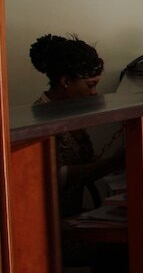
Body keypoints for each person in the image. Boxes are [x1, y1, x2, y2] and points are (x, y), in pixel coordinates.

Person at [30, 34, 124, 216]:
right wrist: (112, 163)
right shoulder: (40, 119)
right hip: (49, 223)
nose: (94, 92)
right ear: (65, 81)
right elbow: (53, 176)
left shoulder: (69, 113)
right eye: (90, 85)